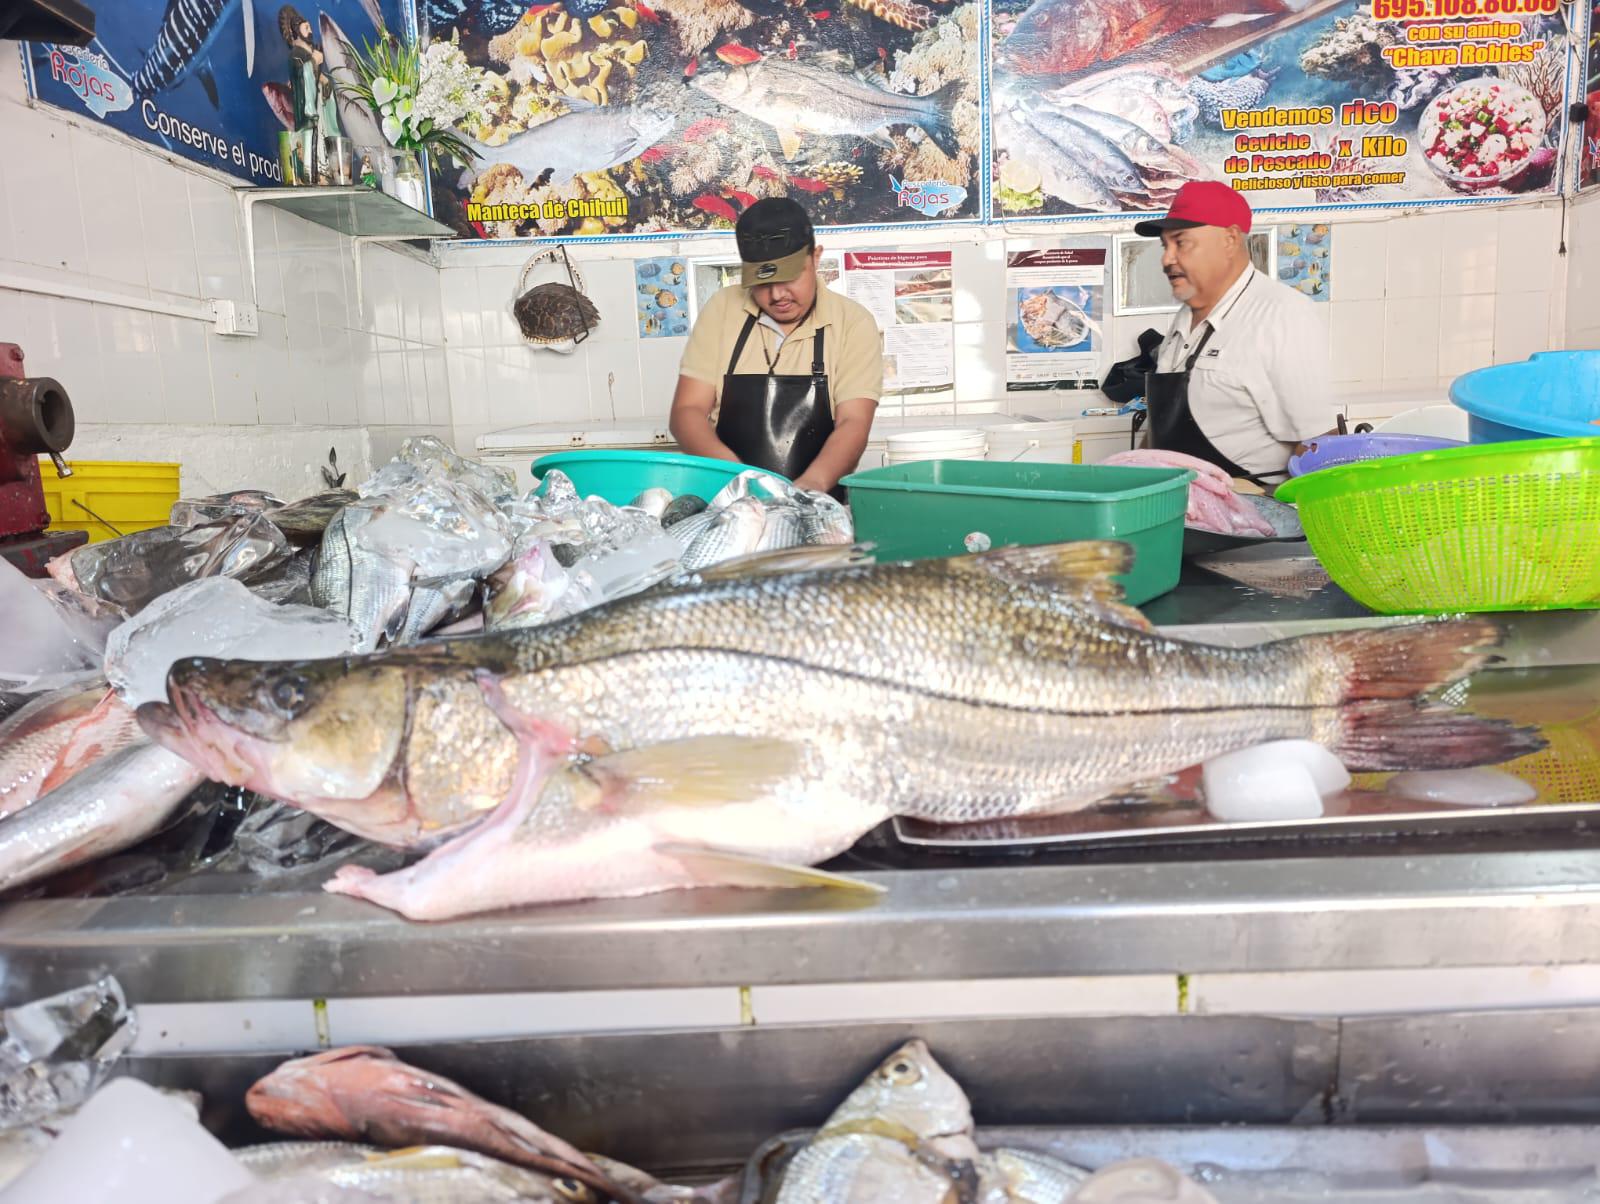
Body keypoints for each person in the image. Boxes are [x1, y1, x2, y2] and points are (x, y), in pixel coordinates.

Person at [671, 198, 882, 494]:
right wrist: (738, 478)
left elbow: (853, 421)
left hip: (816, 501)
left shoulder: (852, 323)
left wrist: (808, 489)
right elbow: (687, 411)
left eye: (790, 277)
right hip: (730, 498)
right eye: (762, 282)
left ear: (816, 258)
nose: (777, 295)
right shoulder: (722, 310)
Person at [1133, 181, 1334, 483]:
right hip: (1179, 508)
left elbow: (1319, 444)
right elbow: (1162, 429)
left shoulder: (1281, 315)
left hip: (1251, 516)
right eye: (1165, 245)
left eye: (1181, 243)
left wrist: (1279, 515)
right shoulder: (1186, 315)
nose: (1167, 259)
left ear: (1229, 239)